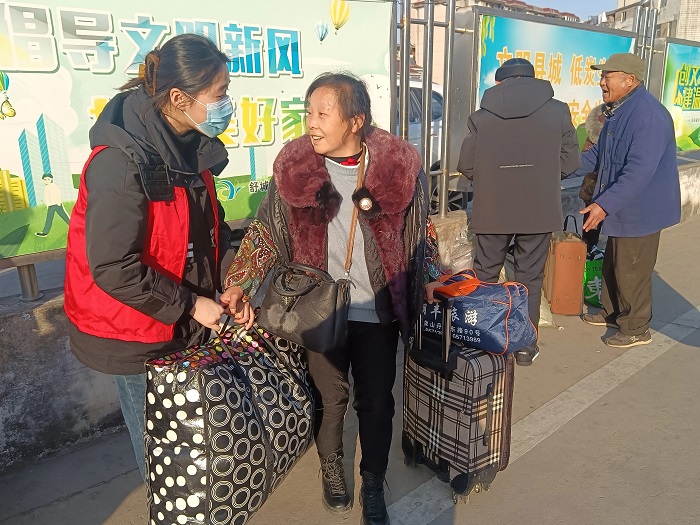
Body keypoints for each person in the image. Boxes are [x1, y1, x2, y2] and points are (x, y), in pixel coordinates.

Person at [220, 72, 441, 525]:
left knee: (377, 403)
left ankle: (373, 482)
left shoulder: (397, 169)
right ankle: (332, 469)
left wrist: (432, 277)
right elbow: (266, 232)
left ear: (355, 121)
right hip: (318, 309)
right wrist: (241, 281)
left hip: (377, 310)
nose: (312, 123)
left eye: (323, 113)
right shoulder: (296, 169)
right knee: (330, 400)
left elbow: (421, 229)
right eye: (309, 112)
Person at [63, 34, 252, 480]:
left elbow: (210, 234)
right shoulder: (120, 161)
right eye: (220, 94)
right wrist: (190, 304)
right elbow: (113, 267)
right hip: (135, 329)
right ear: (179, 98)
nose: (227, 105)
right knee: (164, 459)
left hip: (180, 319)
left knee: (195, 448)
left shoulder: (192, 149)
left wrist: (232, 283)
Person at [457, 57, 581, 366]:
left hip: (492, 207)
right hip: (538, 207)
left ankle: (484, 339)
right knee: (529, 277)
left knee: (486, 273)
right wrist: (541, 178)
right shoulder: (558, 111)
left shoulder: (481, 116)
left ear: (500, 82)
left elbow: (466, 165)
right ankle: (525, 346)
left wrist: (494, 180)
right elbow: (571, 161)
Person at [575, 53, 681, 348]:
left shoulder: (649, 116)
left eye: (607, 76)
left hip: (643, 208)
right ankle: (613, 313)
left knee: (632, 269)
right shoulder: (617, 112)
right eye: (602, 76)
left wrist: (604, 204)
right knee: (613, 262)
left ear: (630, 80)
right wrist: (558, 167)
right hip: (622, 204)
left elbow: (639, 170)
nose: (601, 82)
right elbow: (597, 157)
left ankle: (636, 328)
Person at [578, 104, 606, 253]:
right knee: (590, 223)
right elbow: (585, 158)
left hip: (608, 191)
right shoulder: (593, 137)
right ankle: (588, 249)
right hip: (592, 187)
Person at [35, 173, 70, 237]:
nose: (47, 181)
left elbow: (58, 194)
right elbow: (47, 197)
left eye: (48, 179)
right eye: (45, 179)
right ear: (43, 180)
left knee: (65, 217)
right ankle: (45, 232)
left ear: (51, 179)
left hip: (57, 204)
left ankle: (76, 227)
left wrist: (59, 202)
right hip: (51, 206)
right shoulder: (46, 187)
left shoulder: (53, 186)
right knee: (49, 219)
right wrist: (48, 205)